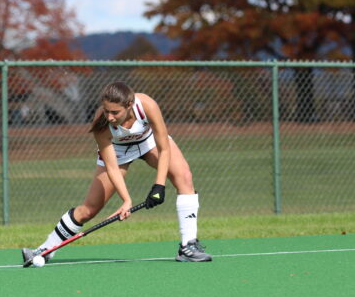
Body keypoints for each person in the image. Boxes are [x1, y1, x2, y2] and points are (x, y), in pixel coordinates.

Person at [21, 81, 212, 264]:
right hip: (118, 151)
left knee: (184, 176)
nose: (110, 116)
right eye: (106, 110)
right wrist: (126, 200)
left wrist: (159, 185)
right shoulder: (101, 122)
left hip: (149, 143)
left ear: (129, 105)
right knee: (89, 209)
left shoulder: (147, 105)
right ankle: (45, 249)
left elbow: (164, 149)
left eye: (115, 112)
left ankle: (189, 246)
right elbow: (112, 167)